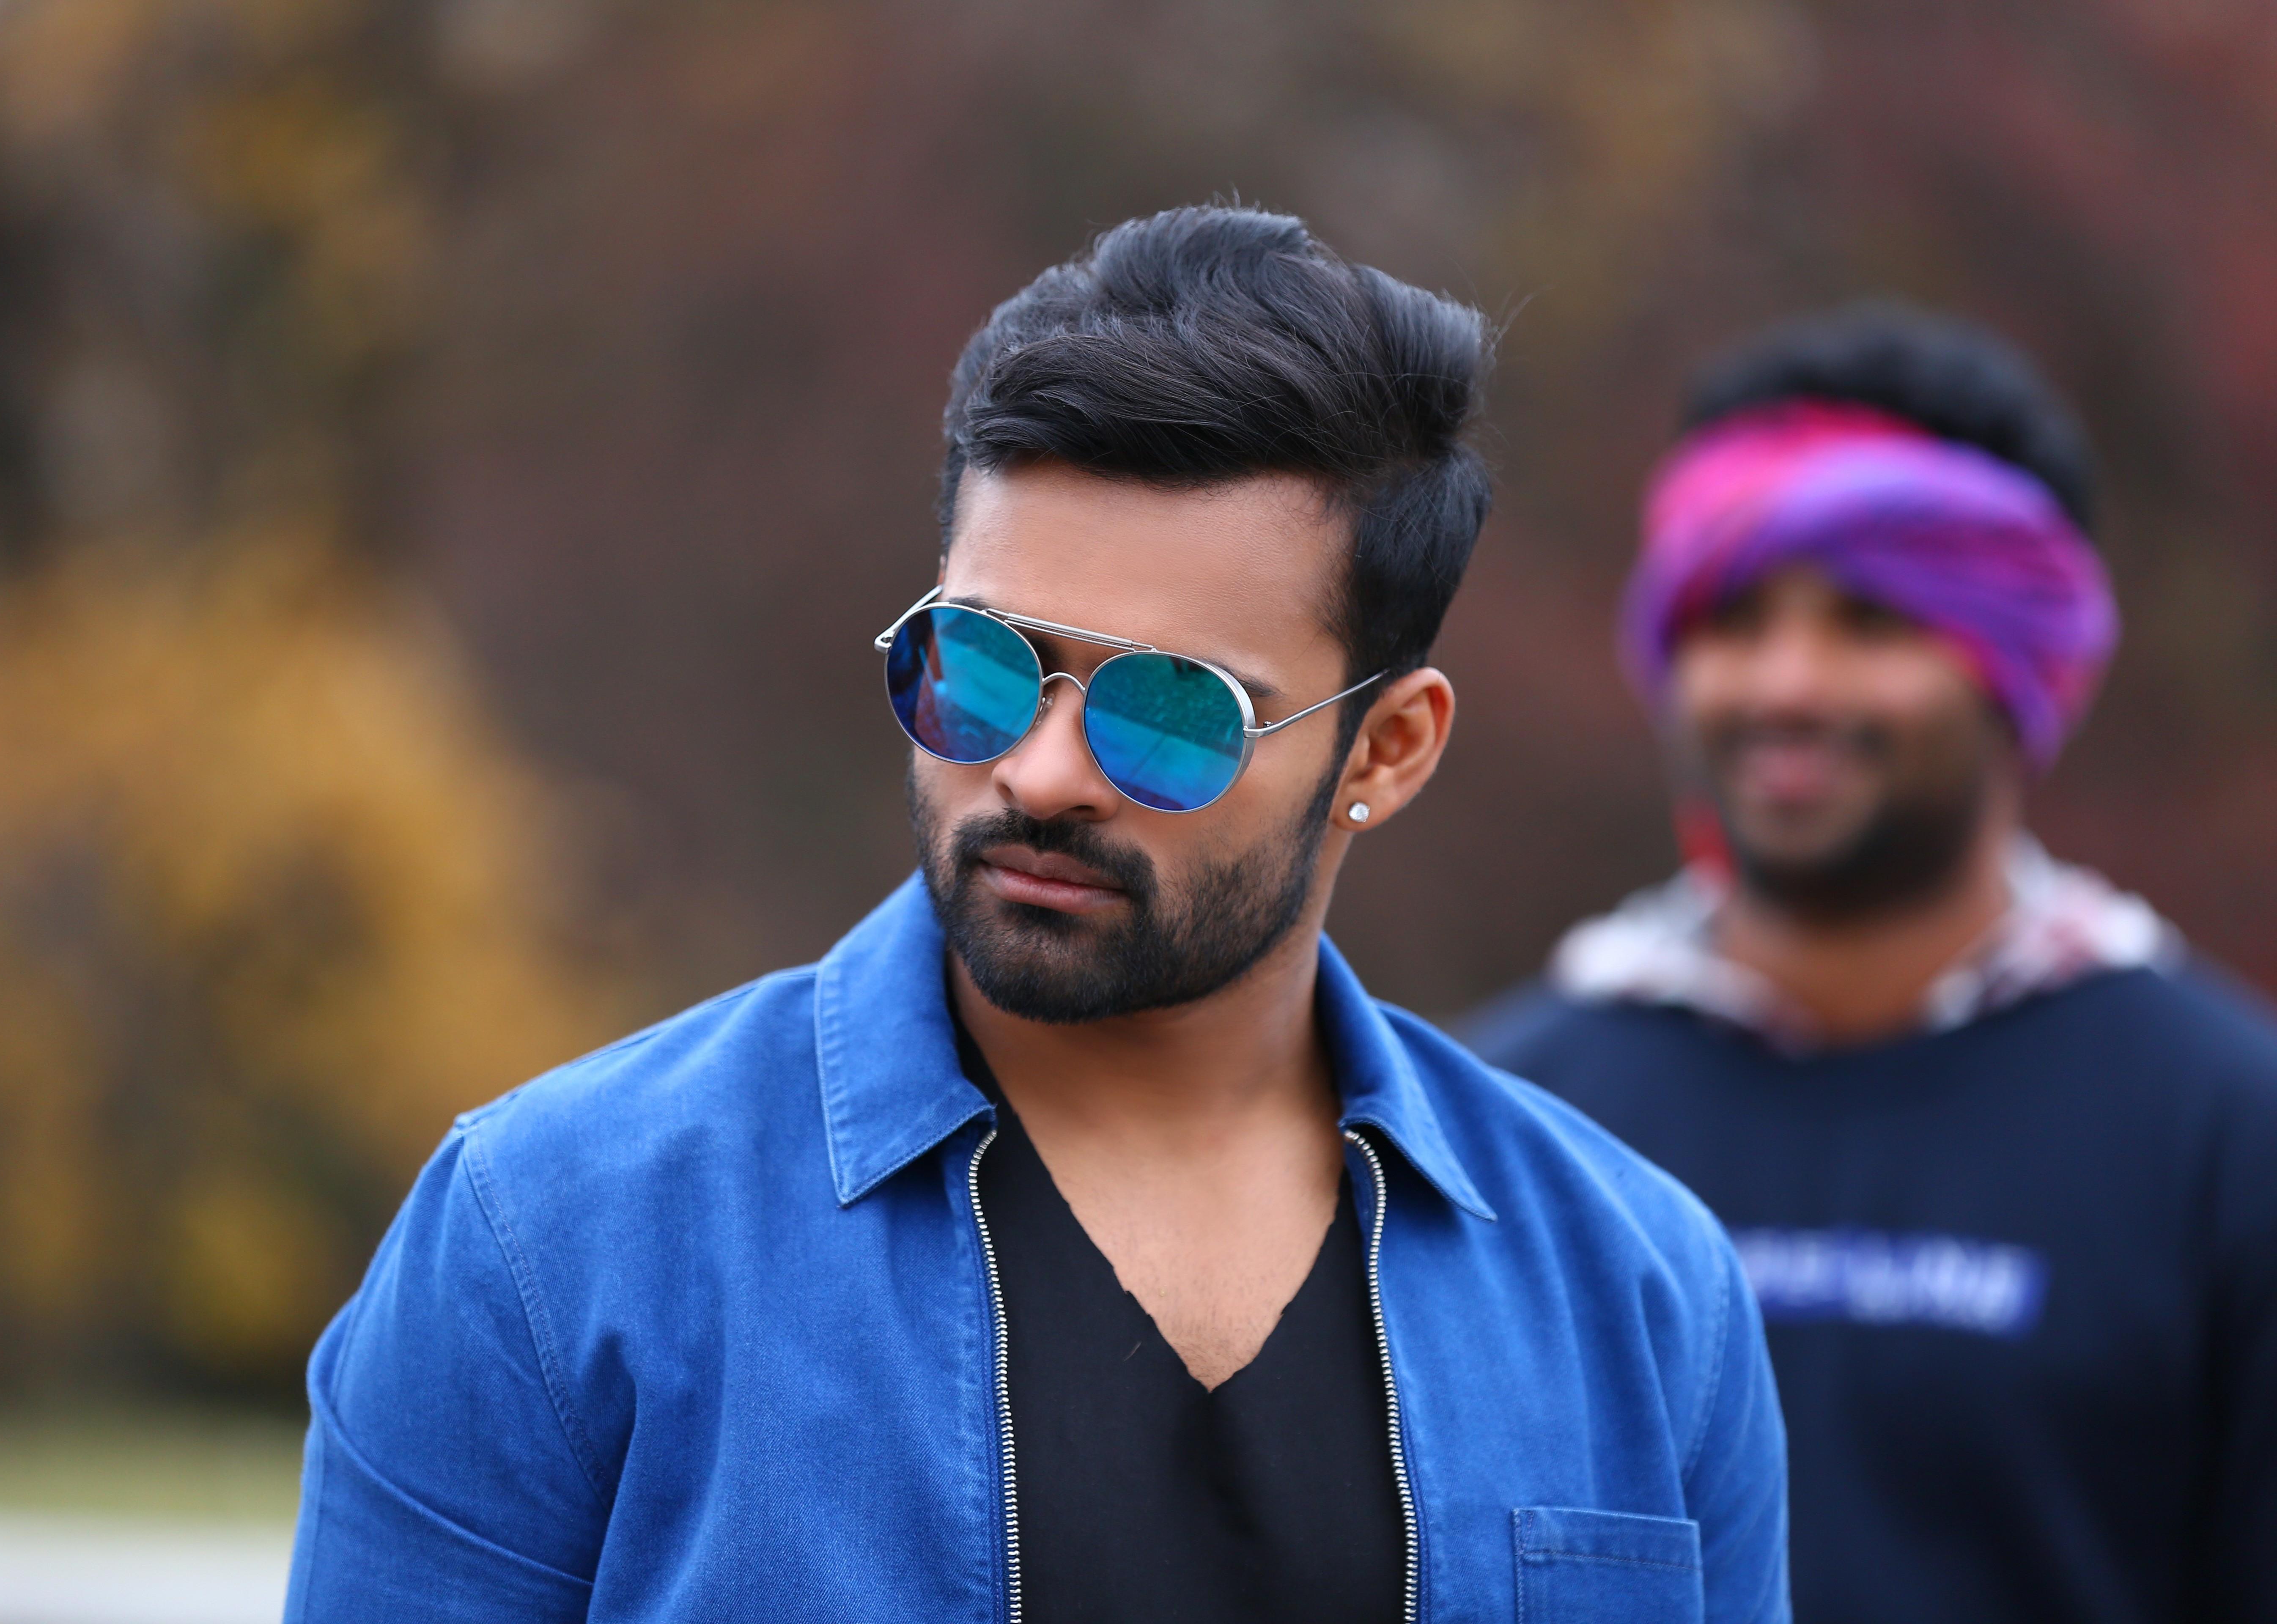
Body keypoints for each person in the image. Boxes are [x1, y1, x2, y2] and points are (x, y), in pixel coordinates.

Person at [284, 207, 1789, 1622]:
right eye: (984, 666)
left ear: (1385, 752)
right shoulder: (556, 1237)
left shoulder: (1637, 1292)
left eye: (1172, 714)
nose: (1041, 772)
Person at [1465, 305, 2277, 1624]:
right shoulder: (1503, 1127)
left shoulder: (2229, 1137)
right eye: (1734, 616)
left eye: (1871, 619)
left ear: (2020, 657)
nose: (1787, 684)